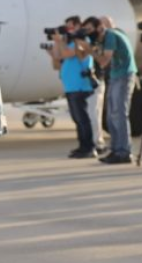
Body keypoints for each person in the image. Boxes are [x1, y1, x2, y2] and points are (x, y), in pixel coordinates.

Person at [82, 16, 137, 164]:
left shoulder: (111, 35)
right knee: (112, 115)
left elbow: (103, 62)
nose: (87, 33)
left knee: (119, 113)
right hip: (116, 75)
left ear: (99, 28)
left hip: (124, 76)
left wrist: (88, 49)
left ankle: (124, 151)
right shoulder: (112, 34)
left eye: (89, 29)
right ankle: (116, 149)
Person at [48, 16, 97, 158]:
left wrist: (60, 42)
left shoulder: (82, 42)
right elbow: (58, 57)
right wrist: (57, 42)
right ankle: (82, 146)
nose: (67, 30)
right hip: (70, 86)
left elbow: (67, 54)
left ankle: (89, 147)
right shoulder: (68, 42)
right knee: (77, 118)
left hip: (79, 85)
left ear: (77, 26)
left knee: (82, 118)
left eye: (69, 27)